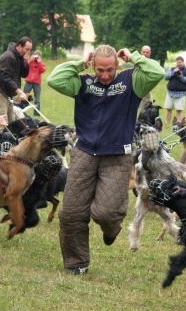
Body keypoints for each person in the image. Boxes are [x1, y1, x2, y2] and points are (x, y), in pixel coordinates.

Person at [47, 44, 165, 275]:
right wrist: (80, 64)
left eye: (109, 69)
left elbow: (157, 72)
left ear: (117, 65)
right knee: (71, 213)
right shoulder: (83, 83)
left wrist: (134, 57)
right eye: (99, 69)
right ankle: (76, 262)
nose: (104, 75)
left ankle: (111, 230)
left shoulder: (132, 81)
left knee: (106, 213)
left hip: (117, 156)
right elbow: (54, 79)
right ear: (93, 66)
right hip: (84, 153)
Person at [0, 37, 32, 132]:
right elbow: (5, 77)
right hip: (1, 92)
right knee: (2, 122)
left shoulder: (19, 57)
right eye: (27, 49)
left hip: (9, 94)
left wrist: (25, 62)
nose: (28, 52)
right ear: (19, 46)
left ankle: (10, 143)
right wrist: (19, 91)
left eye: (30, 50)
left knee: (11, 122)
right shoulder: (8, 57)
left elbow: (24, 74)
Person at [163, 55, 186, 128]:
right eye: (177, 62)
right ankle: (166, 124)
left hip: (181, 94)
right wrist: (173, 73)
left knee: (179, 110)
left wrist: (182, 77)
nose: (178, 64)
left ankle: (178, 126)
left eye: (179, 62)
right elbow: (165, 77)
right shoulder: (172, 69)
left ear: (183, 62)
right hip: (170, 93)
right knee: (168, 109)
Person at [23, 49, 46, 117]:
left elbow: (43, 70)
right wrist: (31, 59)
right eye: (36, 55)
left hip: (37, 83)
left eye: (38, 56)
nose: (36, 57)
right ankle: (23, 111)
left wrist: (39, 62)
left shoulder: (41, 64)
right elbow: (26, 65)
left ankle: (36, 113)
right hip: (29, 82)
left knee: (37, 99)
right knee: (25, 97)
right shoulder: (30, 62)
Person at [137, 45, 153, 112]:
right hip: (135, 89)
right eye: (144, 52)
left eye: (147, 52)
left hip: (145, 90)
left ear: (150, 53)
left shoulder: (152, 64)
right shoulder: (136, 62)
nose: (145, 54)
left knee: (144, 110)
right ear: (141, 52)